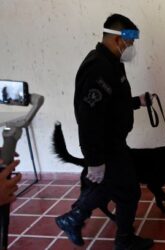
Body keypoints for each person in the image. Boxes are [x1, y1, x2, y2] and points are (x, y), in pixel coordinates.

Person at [55, 14, 154, 250]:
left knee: (121, 190)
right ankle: (78, 221)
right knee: (124, 190)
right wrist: (95, 160)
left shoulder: (112, 62)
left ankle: (112, 233)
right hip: (105, 147)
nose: (132, 48)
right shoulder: (97, 67)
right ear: (118, 39)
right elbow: (88, 119)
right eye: (130, 42)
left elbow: (112, 103)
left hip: (114, 143)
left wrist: (136, 102)